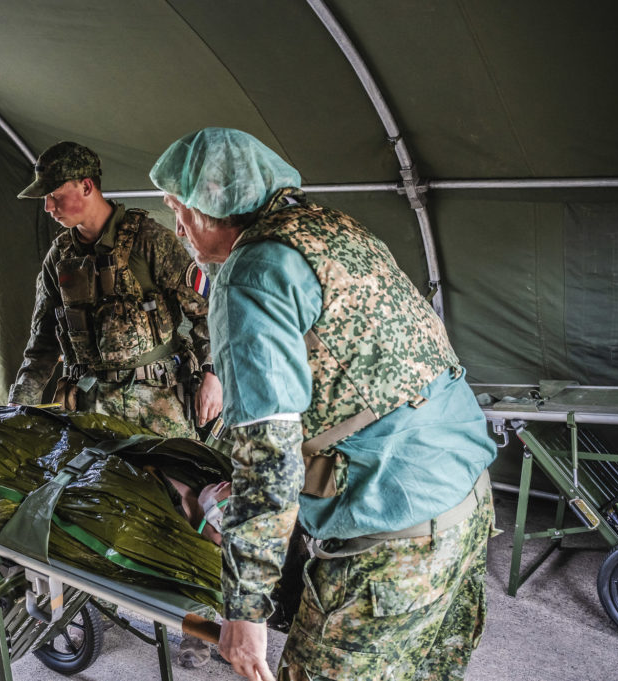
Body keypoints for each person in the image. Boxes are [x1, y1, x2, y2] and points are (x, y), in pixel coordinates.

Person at [151, 127, 497, 681]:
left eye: (181, 210)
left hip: (391, 539)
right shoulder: (332, 229)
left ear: (216, 207)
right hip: (466, 500)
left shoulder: (249, 275)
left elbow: (270, 457)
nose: (179, 228)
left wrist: (246, 610)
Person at [9, 141, 224, 666]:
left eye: (55, 196)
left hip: (159, 406)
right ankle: (118, 593)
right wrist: (17, 408)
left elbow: (206, 312)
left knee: (187, 513)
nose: (49, 207)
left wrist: (213, 375)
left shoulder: (150, 239)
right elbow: (40, 345)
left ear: (86, 187)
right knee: (105, 507)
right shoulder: (60, 256)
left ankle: (200, 626)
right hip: (92, 407)